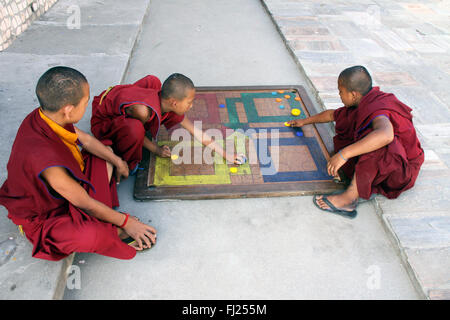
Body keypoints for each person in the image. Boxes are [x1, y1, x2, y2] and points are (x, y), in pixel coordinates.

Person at [0, 67, 156, 261]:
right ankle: (111, 229)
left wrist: (118, 161)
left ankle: (106, 216)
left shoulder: (46, 116)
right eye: (85, 102)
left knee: (106, 151)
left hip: (72, 189)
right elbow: (85, 203)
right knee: (91, 235)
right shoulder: (48, 164)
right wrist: (126, 222)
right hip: (46, 215)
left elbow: (87, 141)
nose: (86, 106)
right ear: (68, 110)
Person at [288, 65, 424, 218]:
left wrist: (344, 154)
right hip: (393, 161)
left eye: (340, 91)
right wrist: (305, 121)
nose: (339, 94)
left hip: (402, 170)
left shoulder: (378, 109)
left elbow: (386, 135)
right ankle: (359, 180)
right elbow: (333, 115)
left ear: (353, 94)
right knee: (353, 126)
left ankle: (350, 199)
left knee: (376, 143)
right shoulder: (362, 102)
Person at [90, 73, 244, 174]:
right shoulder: (142, 111)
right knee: (136, 129)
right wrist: (156, 149)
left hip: (132, 107)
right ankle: (129, 164)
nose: (191, 106)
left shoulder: (169, 106)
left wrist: (227, 154)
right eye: (189, 102)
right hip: (104, 121)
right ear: (174, 102)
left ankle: (142, 123)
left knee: (153, 80)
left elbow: (196, 133)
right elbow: (137, 134)